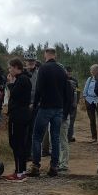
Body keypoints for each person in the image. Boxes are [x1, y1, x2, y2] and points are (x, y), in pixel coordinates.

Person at [27, 47, 71, 177]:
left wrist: (35, 105)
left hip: (45, 107)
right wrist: (65, 109)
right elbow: (66, 90)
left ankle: (35, 166)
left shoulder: (43, 69)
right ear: (55, 56)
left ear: (46, 55)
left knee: (37, 137)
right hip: (59, 108)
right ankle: (54, 167)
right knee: (55, 137)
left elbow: (39, 89)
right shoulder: (62, 70)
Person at [4, 58, 32, 182]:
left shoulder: (21, 79)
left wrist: (10, 83)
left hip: (18, 115)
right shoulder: (25, 78)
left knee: (16, 143)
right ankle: (21, 171)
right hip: (23, 114)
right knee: (21, 143)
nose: (9, 70)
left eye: (10, 67)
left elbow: (14, 94)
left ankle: (19, 173)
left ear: (16, 67)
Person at [58, 70, 76, 172]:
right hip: (57, 115)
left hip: (63, 116)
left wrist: (64, 116)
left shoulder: (68, 86)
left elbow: (69, 103)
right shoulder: (60, 84)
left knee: (63, 140)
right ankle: (59, 162)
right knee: (57, 140)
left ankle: (64, 164)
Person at [82, 64, 98, 143]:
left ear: (97, 71)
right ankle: (94, 137)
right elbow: (85, 89)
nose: (91, 72)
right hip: (89, 100)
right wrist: (85, 97)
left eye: (92, 71)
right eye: (91, 71)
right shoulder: (89, 79)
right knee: (92, 119)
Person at [65, 65, 79, 142]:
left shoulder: (75, 81)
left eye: (70, 72)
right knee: (66, 121)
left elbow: (78, 91)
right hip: (66, 104)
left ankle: (69, 137)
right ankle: (67, 136)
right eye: (68, 72)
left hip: (72, 104)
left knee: (71, 121)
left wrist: (76, 102)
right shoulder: (63, 79)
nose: (69, 73)